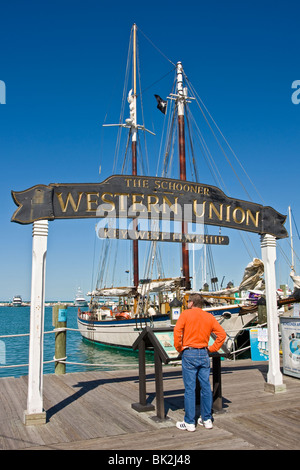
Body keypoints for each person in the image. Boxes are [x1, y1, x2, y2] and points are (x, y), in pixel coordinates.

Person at [173, 293, 226, 432]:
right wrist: (213, 348)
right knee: (205, 387)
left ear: (191, 303)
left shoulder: (185, 315)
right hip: (204, 353)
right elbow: (222, 335)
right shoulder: (209, 317)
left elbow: (177, 331)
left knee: (190, 389)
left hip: (189, 352)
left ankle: (190, 422)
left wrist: (180, 348)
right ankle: (207, 419)